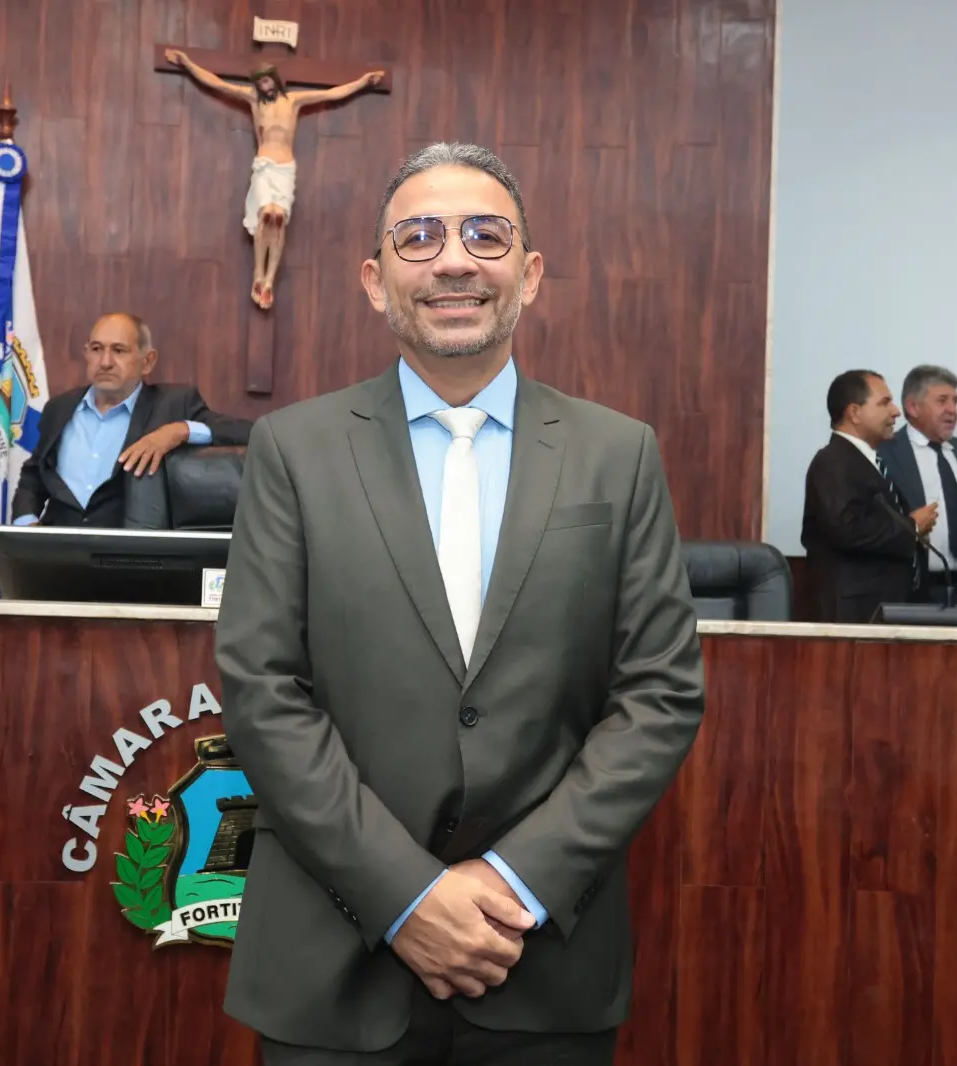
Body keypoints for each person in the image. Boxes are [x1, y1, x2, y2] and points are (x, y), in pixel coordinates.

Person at [214, 142, 705, 1065]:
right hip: (335, 961)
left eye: (486, 235)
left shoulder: (619, 453)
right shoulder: (293, 450)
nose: (453, 260)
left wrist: (512, 882)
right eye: (418, 237)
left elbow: (660, 696)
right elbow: (263, 690)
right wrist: (405, 894)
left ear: (530, 274)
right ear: (372, 279)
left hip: (541, 955)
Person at [165, 50, 383, 309]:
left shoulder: (293, 101)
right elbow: (217, 82)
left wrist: (362, 82)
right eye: (259, 83)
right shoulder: (254, 101)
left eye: (266, 81)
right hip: (264, 167)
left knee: (277, 220)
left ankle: (268, 280)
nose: (263, 86)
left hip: (284, 169)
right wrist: (187, 64)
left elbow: (331, 93)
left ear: (275, 80)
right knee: (266, 215)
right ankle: (259, 273)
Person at [10, 313, 250, 528]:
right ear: (86, 353)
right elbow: (35, 474)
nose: (105, 362)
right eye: (96, 349)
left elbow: (246, 432)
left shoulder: (173, 404)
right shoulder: (59, 408)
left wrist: (180, 430)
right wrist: (26, 521)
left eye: (119, 350)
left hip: (130, 559)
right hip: (57, 556)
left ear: (148, 361)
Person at [802, 369, 937, 623]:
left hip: (881, 609)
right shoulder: (833, 462)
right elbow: (847, 529)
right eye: (885, 403)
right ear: (854, 412)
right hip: (855, 615)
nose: (896, 412)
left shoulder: (869, 461)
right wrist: (913, 527)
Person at [876, 364, 957, 605]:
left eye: (955, 401)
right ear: (913, 407)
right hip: (913, 594)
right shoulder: (884, 454)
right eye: (942, 401)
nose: (952, 410)